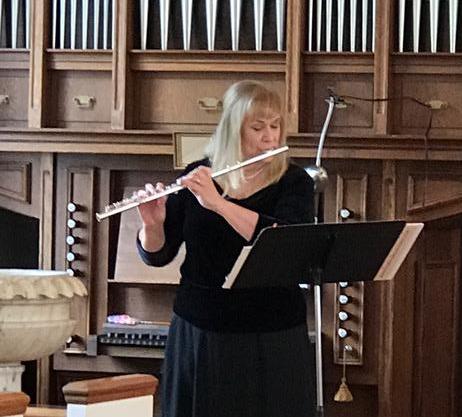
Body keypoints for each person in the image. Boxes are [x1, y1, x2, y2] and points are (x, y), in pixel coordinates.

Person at [136, 80, 315, 417]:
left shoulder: (294, 182)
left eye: (275, 126)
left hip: (272, 335)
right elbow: (158, 254)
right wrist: (152, 223)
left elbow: (282, 240)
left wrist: (218, 204)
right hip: (200, 331)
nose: (270, 137)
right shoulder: (198, 175)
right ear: (233, 129)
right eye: (258, 127)